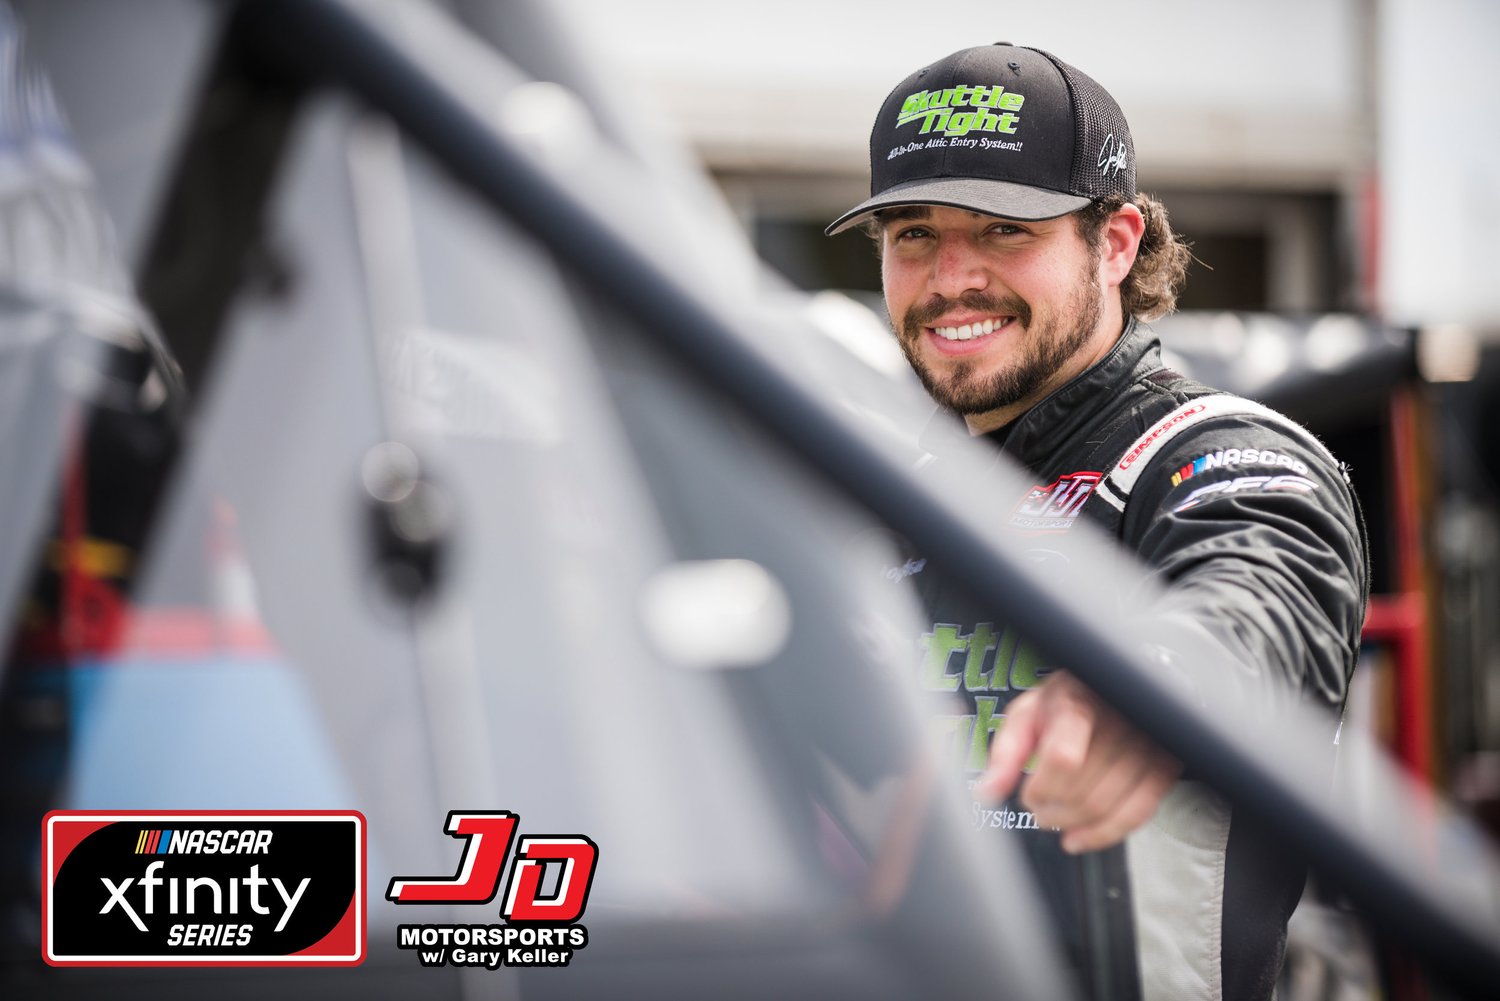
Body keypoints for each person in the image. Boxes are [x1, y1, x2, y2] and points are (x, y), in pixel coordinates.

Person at [825, 43, 1367, 1000]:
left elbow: (1262, 589)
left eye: (1002, 229)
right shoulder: (895, 493)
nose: (950, 277)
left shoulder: (1215, 453)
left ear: (1115, 244)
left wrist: (1151, 689)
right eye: (912, 233)